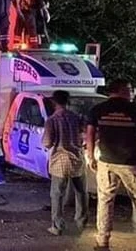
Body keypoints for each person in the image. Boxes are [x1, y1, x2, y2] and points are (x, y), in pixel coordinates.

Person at [86, 79, 136, 250]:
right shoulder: (135, 110)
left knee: (105, 200)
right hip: (131, 163)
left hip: (106, 162)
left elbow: (89, 135)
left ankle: (102, 241)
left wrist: (91, 157)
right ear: (122, 90)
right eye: (130, 89)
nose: (132, 92)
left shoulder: (98, 109)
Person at [42, 90, 88, 236]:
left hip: (59, 161)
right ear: (67, 102)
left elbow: (47, 142)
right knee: (81, 192)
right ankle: (81, 221)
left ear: (54, 103)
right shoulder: (76, 117)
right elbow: (86, 133)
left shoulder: (52, 120)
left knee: (57, 194)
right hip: (77, 160)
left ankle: (57, 226)